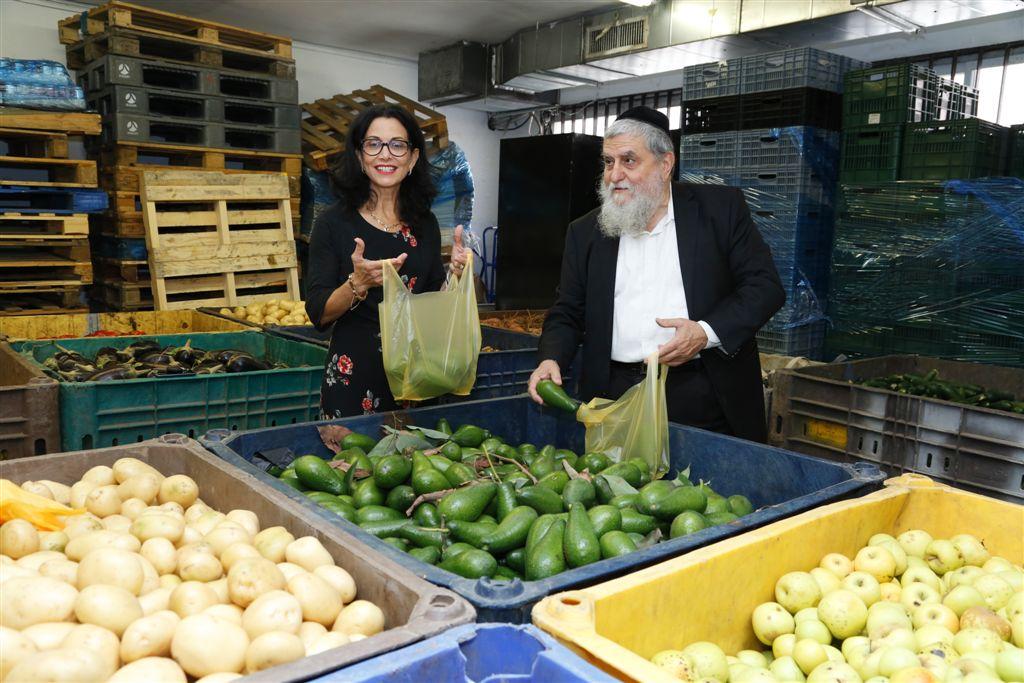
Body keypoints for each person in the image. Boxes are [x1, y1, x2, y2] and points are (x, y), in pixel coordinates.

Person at [527, 106, 785, 442]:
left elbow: (765, 287)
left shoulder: (719, 211)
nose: (614, 174)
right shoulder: (586, 231)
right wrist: (551, 357)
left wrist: (705, 333)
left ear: (665, 164)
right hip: (615, 396)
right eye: (608, 162)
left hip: (702, 391)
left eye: (629, 161)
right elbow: (568, 311)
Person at [306, 104, 469, 418]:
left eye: (397, 145)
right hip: (355, 378)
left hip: (417, 379)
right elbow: (318, 313)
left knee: (416, 465)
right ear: (359, 155)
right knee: (353, 466)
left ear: (413, 158)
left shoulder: (425, 225)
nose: (385, 154)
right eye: (373, 144)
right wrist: (357, 284)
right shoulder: (333, 224)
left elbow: (434, 301)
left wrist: (459, 275)